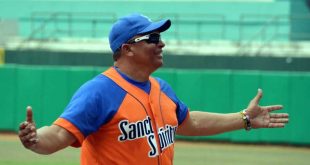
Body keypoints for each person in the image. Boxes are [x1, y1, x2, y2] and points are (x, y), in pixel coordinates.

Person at [18, 13, 289, 165]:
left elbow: (189, 122)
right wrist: (35, 140)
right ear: (127, 49)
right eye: (153, 38)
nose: (161, 44)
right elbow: (58, 135)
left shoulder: (162, 88)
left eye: (161, 38)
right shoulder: (99, 91)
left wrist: (244, 118)